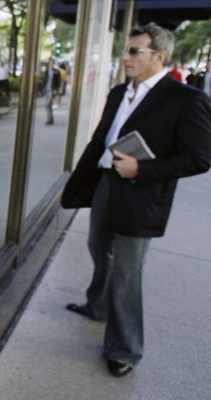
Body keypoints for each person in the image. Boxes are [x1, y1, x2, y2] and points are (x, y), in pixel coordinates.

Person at [61, 23, 211, 378]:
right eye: (126, 50)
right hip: (105, 184)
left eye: (134, 51)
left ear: (159, 56)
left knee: (128, 273)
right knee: (98, 247)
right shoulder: (117, 93)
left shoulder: (186, 99)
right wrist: (80, 181)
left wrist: (141, 169)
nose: (125, 57)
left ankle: (125, 348)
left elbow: (201, 158)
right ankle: (97, 305)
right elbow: (101, 140)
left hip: (141, 195)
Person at [41, 58, 61, 125]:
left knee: (47, 105)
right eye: (50, 62)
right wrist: (42, 89)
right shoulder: (46, 71)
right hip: (46, 90)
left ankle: (49, 119)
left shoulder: (56, 71)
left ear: (53, 63)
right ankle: (51, 119)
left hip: (52, 91)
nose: (51, 64)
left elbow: (58, 81)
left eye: (52, 62)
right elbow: (44, 80)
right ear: (48, 63)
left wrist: (56, 90)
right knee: (49, 106)